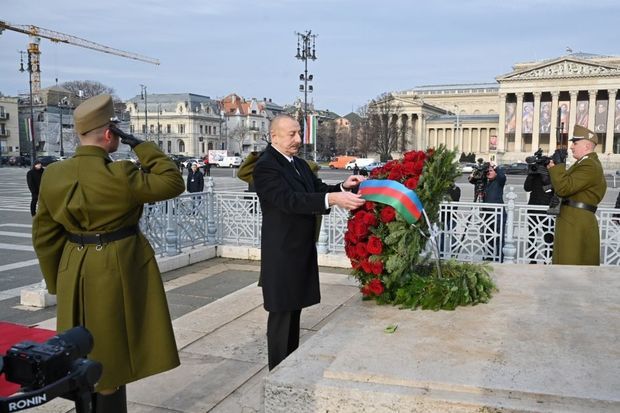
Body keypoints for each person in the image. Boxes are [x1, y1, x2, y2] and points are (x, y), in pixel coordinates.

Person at [32, 94, 184, 412]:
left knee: (79, 351)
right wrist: (140, 144)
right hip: (117, 264)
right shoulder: (122, 174)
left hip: (74, 266)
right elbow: (172, 181)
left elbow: (44, 236)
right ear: (108, 135)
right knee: (111, 354)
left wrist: (57, 282)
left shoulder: (53, 175)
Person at [252, 115, 366, 370]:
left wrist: (341, 186)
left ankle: (289, 367)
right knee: (282, 316)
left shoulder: (299, 164)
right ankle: (278, 373)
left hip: (299, 250)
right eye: (291, 134)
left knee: (294, 311)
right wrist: (334, 200)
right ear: (275, 136)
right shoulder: (266, 166)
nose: (298, 139)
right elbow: (289, 200)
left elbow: (314, 190)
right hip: (281, 253)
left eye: (299, 133)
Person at [547, 124, 607, 265]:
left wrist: (559, 166)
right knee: (566, 266)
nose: (571, 147)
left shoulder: (589, 165)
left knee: (571, 268)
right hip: (573, 219)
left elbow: (564, 188)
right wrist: (551, 171)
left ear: (587, 146)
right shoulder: (583, 163)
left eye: (575, 143)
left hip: (576, 222)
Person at [523, 164, 555, 263]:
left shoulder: (551, 174)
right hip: (533, 207)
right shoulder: (534, 173)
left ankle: (548, 259)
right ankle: (532, 259)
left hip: (547, 208)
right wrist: (531, 175)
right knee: (532, 235)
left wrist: (544, 177)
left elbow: (550, 190)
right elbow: (527, 188)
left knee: (548, 235)